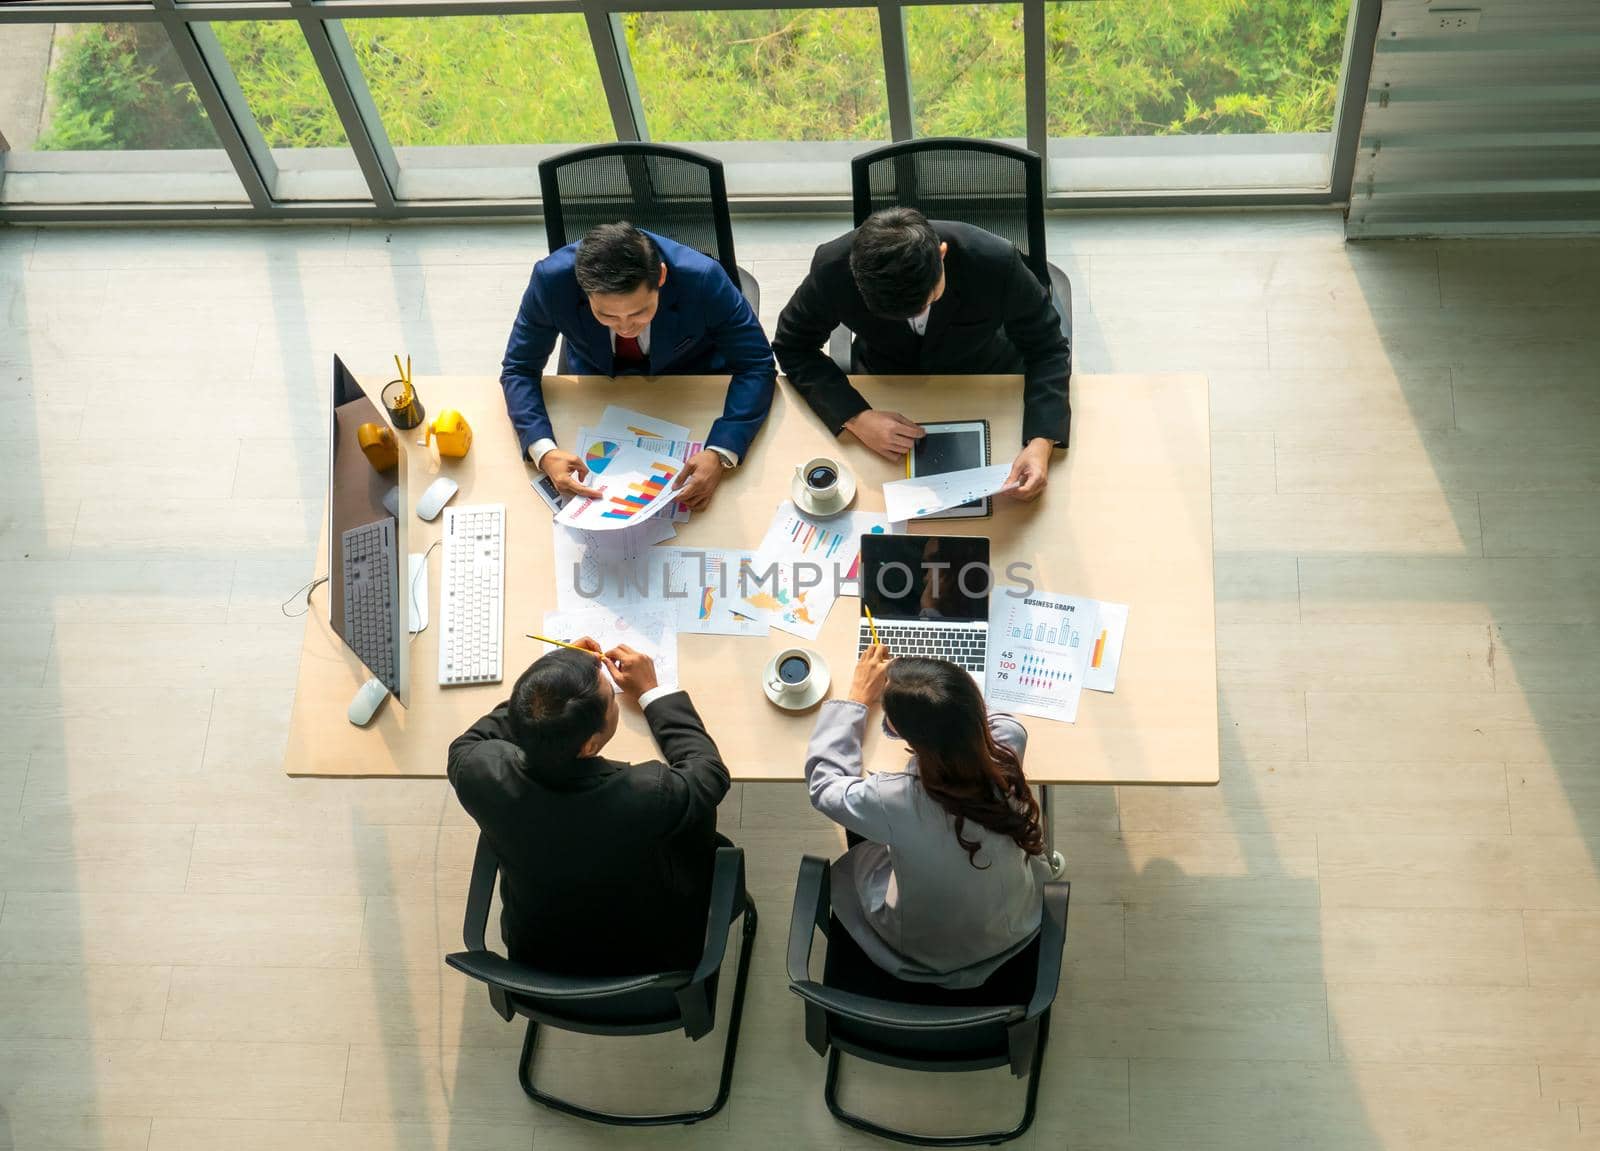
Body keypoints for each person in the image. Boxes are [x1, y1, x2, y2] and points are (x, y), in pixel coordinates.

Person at [447, 638, 731, 975]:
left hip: (537, 961)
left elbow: (471, 740)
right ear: (590, 744)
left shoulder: (476, 771)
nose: (614, 698)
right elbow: (709, 773)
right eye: (611, 698)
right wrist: (652, 692)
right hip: (654, 962)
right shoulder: (648, 796)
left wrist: (547, 688)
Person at [772, 207, 1070, 501]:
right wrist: (856, 416)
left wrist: (1041, 440)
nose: (920, 315)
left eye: (929, 301)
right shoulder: (833, 267)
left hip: (983, 377)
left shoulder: (994, 261)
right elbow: (793, 345)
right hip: (885, 383)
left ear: (942, 254)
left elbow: (1048, 348)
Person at [805, 645, 1049, 987]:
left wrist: (857, 700)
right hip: (1009, 929)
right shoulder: (1007, 749)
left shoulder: (893, 799)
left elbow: (824, 787)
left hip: (922, 950)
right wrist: (946, 694)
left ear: (900, 730)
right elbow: (993, 718)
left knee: (857, 868)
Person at [501, 221, 776, 511]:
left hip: (689, 381)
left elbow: (756, 364)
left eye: (640, 311)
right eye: (606, 315)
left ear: (661, 277)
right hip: (599, 382)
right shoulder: (551, 280)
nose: (625, 328)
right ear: (583, 289)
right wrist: (543, 451)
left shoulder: (703, 278)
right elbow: (519, 367)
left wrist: (721, 451)